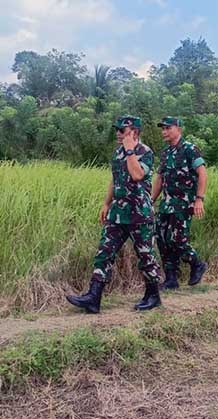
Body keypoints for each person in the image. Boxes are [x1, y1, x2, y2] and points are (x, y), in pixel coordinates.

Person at [66, 116, 162, 313]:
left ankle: (153, 295)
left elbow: (137, 175)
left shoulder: (145, 152)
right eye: (117, 130)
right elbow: (115, 178)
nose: (118, 134)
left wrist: (129, 151)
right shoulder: (117, 153)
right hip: (118, 213)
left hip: (139, 214)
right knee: (104, 252)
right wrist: (106, 203)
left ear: (134, 132)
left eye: (122, 130)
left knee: (145, 256)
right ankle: (94, 297)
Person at [152, 117, 208, 290]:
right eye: (163, 129)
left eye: (168, 128)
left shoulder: (190, 149)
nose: (164, 132)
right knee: (162, 238)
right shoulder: (165, 153)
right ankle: (171, 278)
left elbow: (203, 174)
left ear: (178, 129)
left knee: (177, 240)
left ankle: (197, 263)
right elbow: (160, 179)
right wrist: (150, 201)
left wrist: (199, 199)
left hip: (183, 203)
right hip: (166, 203)